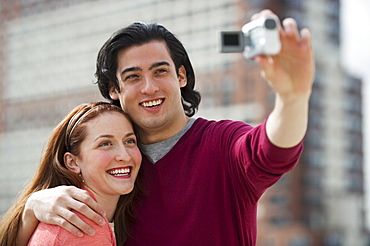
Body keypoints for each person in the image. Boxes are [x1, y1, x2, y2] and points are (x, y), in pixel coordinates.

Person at [16, 9, 314, 246]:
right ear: (113, 90)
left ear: (181, 76)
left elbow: (272, 151)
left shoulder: (222, 143)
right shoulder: (114, 168)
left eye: (161, 71)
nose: (149, 87)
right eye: (133, 77)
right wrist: (32, 207)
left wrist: (293, 97)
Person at [0, 102, 142, 246]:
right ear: (73, 162)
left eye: (129, 141)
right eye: (105, 144)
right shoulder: (82, 225)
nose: (124, 155)